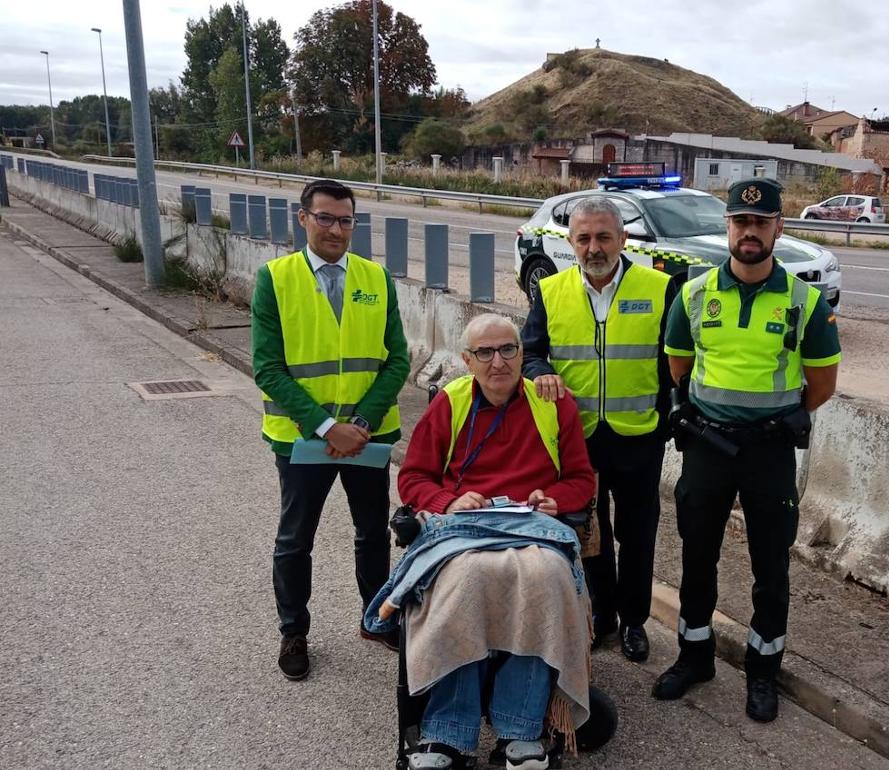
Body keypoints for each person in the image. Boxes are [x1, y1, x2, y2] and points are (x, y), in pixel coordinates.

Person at [651, 178, 841, 723]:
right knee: (696, 555)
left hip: (769, 452)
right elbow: (679, 366)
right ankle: (694, 658)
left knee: (770, 565)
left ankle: (763, 671)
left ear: (779, 228)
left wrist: (770, 420)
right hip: (708, 445)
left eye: (761, 223)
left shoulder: (805, 301)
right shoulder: (693, 292)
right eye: (740, 222)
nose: (749, 231)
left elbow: (822, 384)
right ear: (728, 227)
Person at [372, 313, 597, 770]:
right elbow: (413, 477)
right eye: (485, 353)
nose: (499, 362)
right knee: (466, 579)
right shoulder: (449, 403)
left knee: (546, 576)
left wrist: (552, 499)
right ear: (467, 360)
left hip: (531, 524)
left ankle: (521, 729)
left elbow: (581, 479)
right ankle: (447, 733)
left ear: (521, 353)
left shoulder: (554, 404)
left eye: (508, 349)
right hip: (464, 528)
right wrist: (448, 501)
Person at [251, 178, 410, 681]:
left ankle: (377, 618)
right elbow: (268, 368)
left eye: (345, 220)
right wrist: (326, 426)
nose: (336, 229)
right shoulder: (274, 279)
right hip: (303, 440)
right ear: (303, 219)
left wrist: (359, 424)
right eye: (325, 218)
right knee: (295, 539)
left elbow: (398, 359)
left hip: (367, 438)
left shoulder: (376, 278)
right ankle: (293, 630)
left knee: (372, 534)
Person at [522, 195, 676, 662]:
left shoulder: (660, 288)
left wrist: (667, 423)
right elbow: (530, 352)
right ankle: (600, 617)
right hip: (577, 440)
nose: (594, 247)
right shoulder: (550, 292)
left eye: (604, 236)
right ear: (571, 242)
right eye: (584, 238)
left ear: (623, 239)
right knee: (590, 534)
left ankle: (633, 622)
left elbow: (677, 362)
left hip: (639, 436)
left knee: (637, 532)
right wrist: (538, 371)